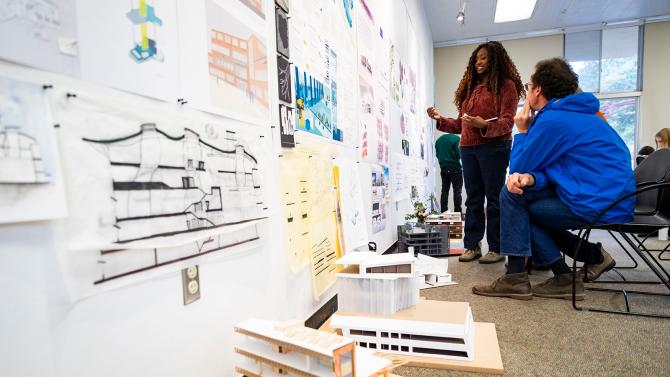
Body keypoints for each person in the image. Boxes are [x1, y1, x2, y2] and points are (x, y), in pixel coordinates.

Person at [472, 58, 635, 300]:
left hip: (596, 202)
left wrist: (522, 130)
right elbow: (555, 167)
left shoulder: (553, 120)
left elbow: (516, 168)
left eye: (528, 86)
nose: (527, 92)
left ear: (537, 90)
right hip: (610, 197)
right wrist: (532, 180)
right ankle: (582, 262)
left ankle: (521, 277)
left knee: (513, 198)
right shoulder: (580, 114)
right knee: (521, 197)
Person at [426, 41, 525, 264]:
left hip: (494, 147)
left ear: (496, 60)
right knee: (473, 199)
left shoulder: (506, 86)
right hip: (468, 148)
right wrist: (440, 120)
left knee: (493, 199)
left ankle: (497, 248)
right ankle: (472, 245)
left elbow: (508, 122)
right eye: (477, 58)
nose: (479, 62)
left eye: (484, 58)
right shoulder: (469, 90)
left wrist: (484, 126)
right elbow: (461, 126)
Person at [435, 133, 462, 214]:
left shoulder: (438, 140)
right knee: (457, 191)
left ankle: (443, 212)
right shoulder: (456, 138)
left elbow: (437, 155)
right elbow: (458, 154)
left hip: (443, 168)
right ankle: (458, 213)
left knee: (444, 191)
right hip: (455, 167)